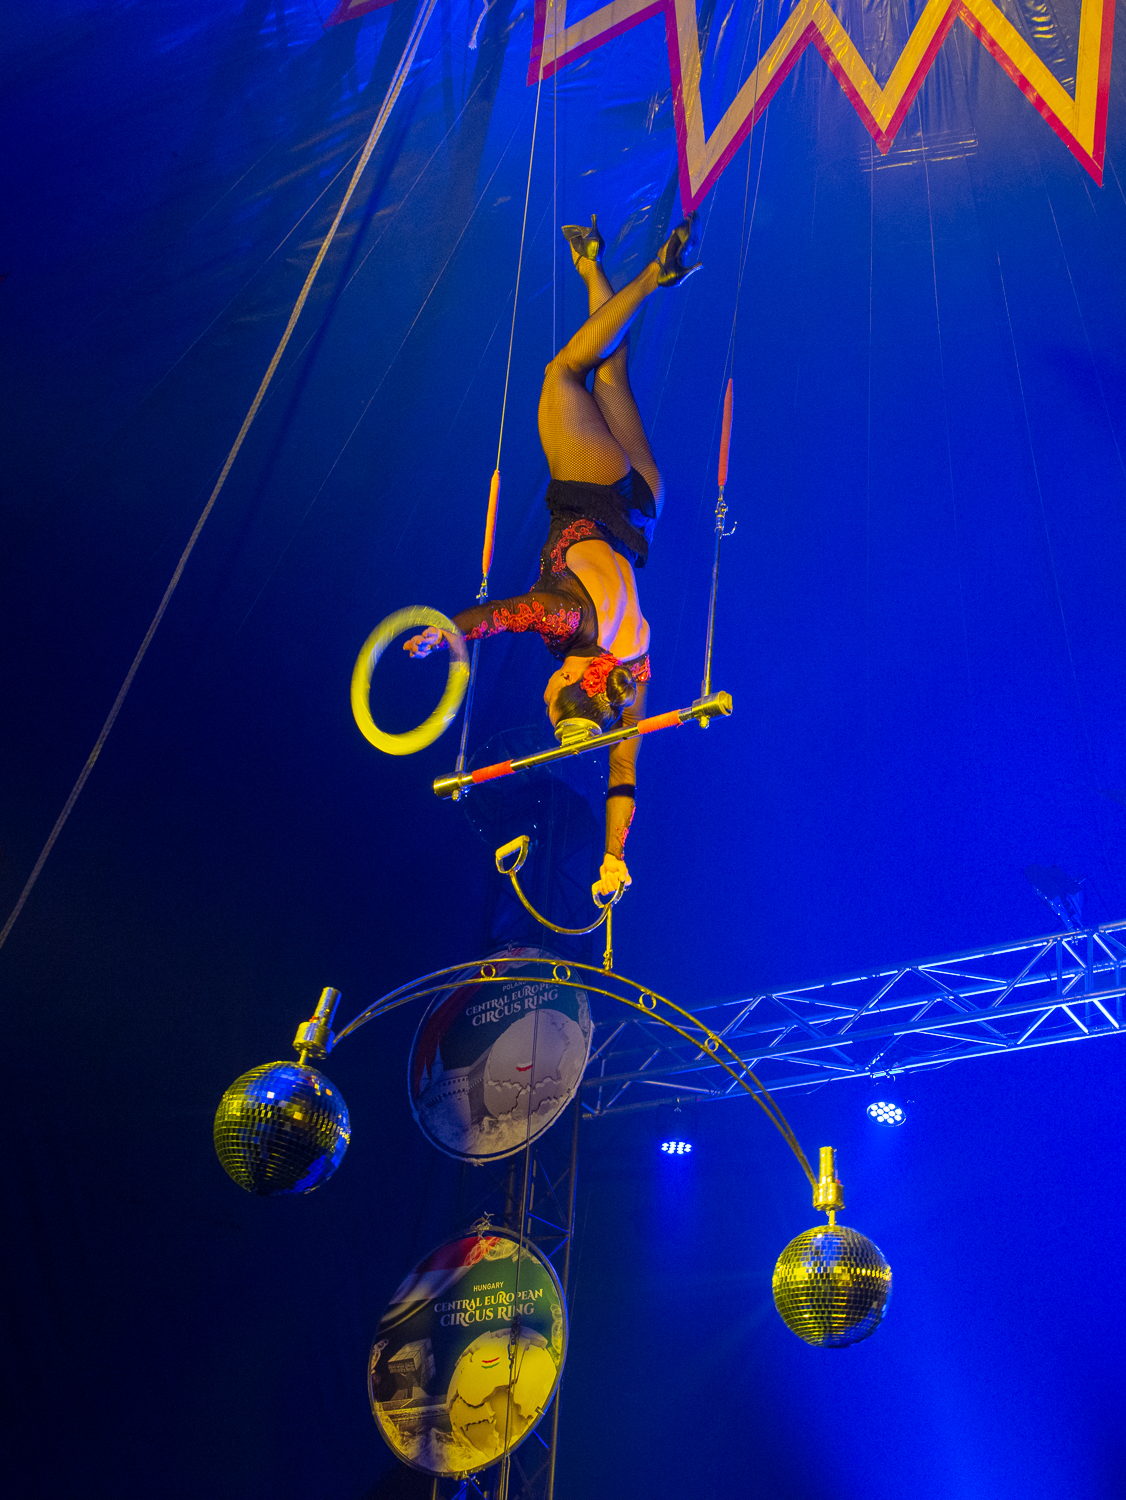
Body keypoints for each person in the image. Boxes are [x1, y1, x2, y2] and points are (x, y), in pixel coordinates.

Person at [406, 213, 700, 896]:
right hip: (596, 489)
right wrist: (444, 634)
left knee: (609, 376)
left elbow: (622, 773)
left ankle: (591, 264)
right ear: (573, 684)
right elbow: (498, 617)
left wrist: (613, 857)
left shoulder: (632, 674)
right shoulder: (569, 624)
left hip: (642, 506)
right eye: (552, 696)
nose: (543, 692)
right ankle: (655, 275)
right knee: (564, 372)